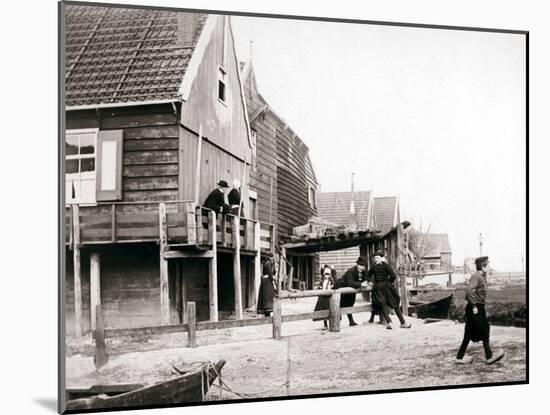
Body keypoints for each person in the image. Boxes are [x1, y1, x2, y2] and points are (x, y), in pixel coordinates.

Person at [455, 256, 505, 364]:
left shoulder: (481, 277)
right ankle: (489, 356)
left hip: (478, 307)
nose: (489, 267)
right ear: (482, 266)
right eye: (487, 265)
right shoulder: (476, 276)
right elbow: (469, 291)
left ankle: (459, 358)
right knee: (485, 329)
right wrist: (474, 306)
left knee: (469, 333)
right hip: (475, 308)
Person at [366, 250, 411, 329]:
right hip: (378, 288)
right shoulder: (373, 266)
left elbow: (393, 275)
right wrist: (370, 282)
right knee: (381, 304)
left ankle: (403, 322)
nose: (376, 259)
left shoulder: (386, 265)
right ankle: (389, 322)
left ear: (381, 258)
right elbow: (368, 275)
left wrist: (388, 283)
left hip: (387, 287)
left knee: (394, 304)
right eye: (375, 258)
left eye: (378, 258)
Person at [335, 257, 368, 326]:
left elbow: (366, 278)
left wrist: (366, 282)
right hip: (342, 287)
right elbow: (350, 282)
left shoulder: (363, 271)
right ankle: (336, 322)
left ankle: (351, 321)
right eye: (361, 265)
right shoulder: (351, 271)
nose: (362, 267)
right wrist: (361, 284)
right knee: (339, 305)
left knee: (350, 304)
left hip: (352, 289)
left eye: (363, 266)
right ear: (357, 265)